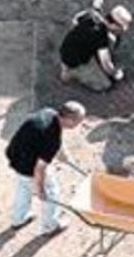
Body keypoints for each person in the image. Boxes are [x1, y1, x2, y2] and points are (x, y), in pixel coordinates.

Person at [6, 101, 86, 236]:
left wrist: (63, 155)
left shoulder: (48, 113)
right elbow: (40, 168)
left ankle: (18, 219)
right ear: (69, 120)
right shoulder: (52, 138)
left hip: (15, 156)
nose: (79, 124)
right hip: (28, 166)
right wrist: (41, 190)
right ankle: (50, 226)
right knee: (52, 192)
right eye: (78, 121)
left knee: (23, 187)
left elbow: (51, 137)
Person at [59, 0, 132, 92]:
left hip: (66, 47)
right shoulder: (101, 38)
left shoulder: (92, 15)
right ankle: (69, 73)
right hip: (74, 61)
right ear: (113, 25)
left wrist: (98, 0)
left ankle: (67, 69)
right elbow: (106, 64)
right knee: (104, 85)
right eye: (120, 28)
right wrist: (116, 74)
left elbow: (78, 18)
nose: (121, 31)